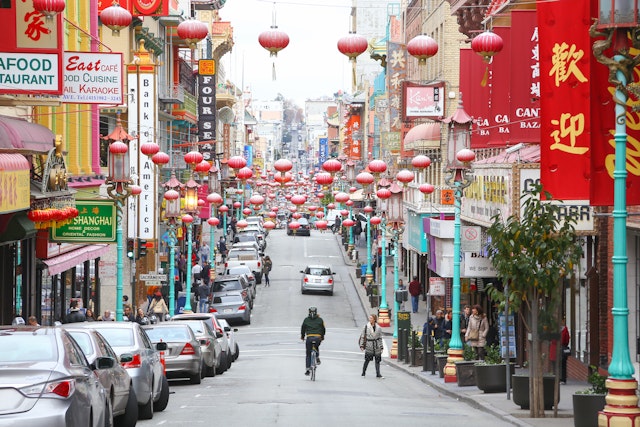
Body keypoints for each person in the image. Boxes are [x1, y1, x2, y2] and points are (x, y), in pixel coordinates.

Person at [301, 306, 325, 376]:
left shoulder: (306, 320)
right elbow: (323, 329)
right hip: (318, 337)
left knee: (308, 353)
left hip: (309, 337)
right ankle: (317, 357)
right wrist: (322, 337)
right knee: (316, 346)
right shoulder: (320, 320)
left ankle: (308, 369)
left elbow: (303, 329)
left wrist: (302, 337)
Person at [359, 314, 384, 378]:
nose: (370, 319)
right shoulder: (366, 326)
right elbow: (362, 336)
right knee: (367, 360)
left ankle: (378, 373)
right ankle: (363, 372)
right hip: (369, 345)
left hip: (376, 345)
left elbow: (380, 338)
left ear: (374, 319)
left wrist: (381, 347)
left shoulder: (378, 328)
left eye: (371, 318)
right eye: (369, 318)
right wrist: (361, 345)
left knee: (377, 360)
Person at [550, 319, 570, 384]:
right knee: (561, 365)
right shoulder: (564, 330)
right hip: (559, 349)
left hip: (557, 349)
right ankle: (561, 379)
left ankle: (559, 378)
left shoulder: (555, 330)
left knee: (558, 365)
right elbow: (566, 340)